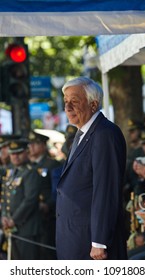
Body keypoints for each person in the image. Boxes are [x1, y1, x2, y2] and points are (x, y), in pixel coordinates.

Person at [56, 76, 127, 260]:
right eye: (65, 102)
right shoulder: (82, 133)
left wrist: (99, 241)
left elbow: (106, 189)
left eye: (74, 101)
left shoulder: (104, 134)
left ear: (93, 104)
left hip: (91, 244)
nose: (67, 107)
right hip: (75, 238)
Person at [1, 139, 42, 259]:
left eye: (18, 153)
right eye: (13, 153)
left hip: (26, 229)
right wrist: (4, 216)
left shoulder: (31, 172)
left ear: (26, 152)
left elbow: (30, 200)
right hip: (11, 228)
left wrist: (14, 219)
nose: (15, 157)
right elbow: (4, 196)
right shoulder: (11, 172)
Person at [28, 130, 62, 259]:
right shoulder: (29, 166)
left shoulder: (52, 164)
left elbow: (57, 190)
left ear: (43, 145)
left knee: (47, 251)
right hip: (33, 214)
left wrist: (47, 204)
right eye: (30, 144)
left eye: (35, 144)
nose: (31, 147)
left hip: (48, 215)